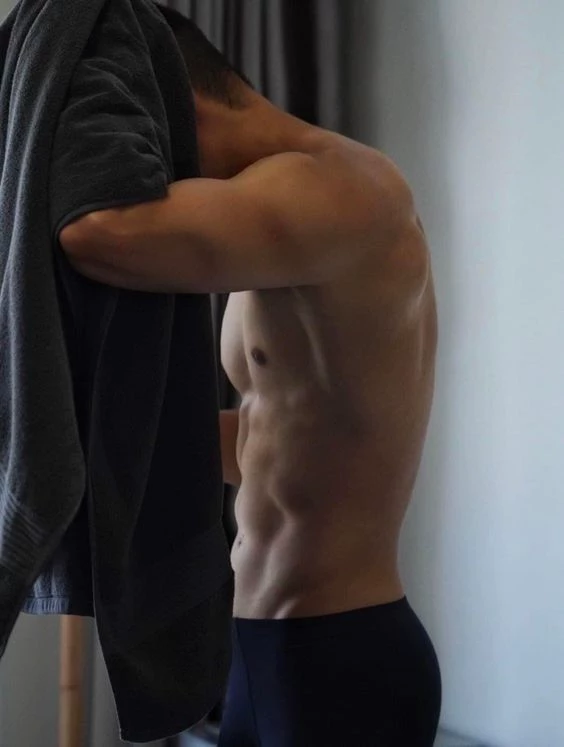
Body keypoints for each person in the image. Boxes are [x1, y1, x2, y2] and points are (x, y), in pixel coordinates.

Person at [60, 6, 441, 745]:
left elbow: (98, 230)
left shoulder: (347, 188)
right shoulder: (275, 228)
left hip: (341, 652)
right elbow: (275, 434)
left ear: (171, 103)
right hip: (262, 648)